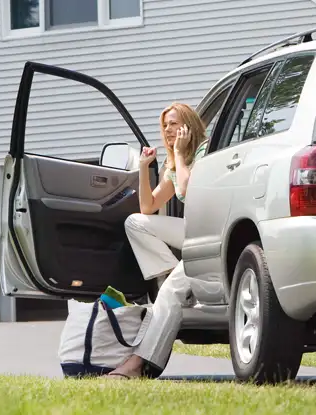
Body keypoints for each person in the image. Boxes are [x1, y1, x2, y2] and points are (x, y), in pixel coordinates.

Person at [103, 102, 209, 379]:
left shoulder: (205, 151)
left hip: (211, 231)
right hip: (192, 229)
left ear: (188, 124)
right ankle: (170, 272)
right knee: (135, 222)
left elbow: (187, 188)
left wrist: (179, 153)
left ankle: (136, 365)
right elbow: (148, 207)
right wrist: (143, 167)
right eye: (165, 125)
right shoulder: (175, 162)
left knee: (170, 296)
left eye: (174, 123)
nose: (168, 129)